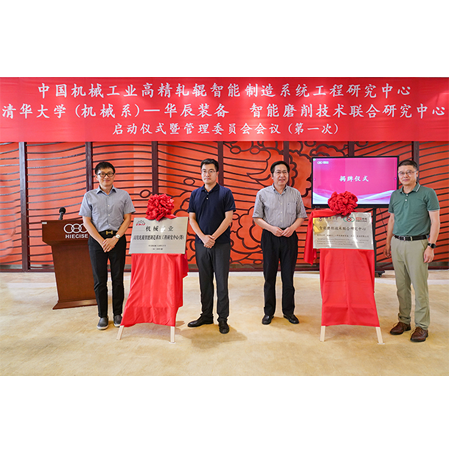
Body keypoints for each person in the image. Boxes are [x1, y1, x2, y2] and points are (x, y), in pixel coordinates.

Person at [384, 159, 440, 342]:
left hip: (418, 244)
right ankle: (404, 321)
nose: (405, 175)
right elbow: (392, 220)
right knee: (401, 286)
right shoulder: (395, 195)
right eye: (402, 173)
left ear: (417, 173)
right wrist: (388, 242)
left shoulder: (428, 193)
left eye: (409, 172)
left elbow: (435, 221)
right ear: (398, 176)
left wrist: (431, 246)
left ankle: (422, 326)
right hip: (397, 243)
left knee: (419, 287)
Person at [79, 162, 135, 330]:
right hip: (97, 241)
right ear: (97, 176)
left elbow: (127, 219)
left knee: (118, 279)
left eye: (109, 173)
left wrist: (115, 238)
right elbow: (86, 221)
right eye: (102, 174)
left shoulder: (123, 195)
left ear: (114, 175)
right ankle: (102, 315)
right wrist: (101, 241)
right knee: (99, 280)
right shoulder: (89, 196)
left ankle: (118, 313)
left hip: (117, 239)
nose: (106, 177)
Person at [253, 161, 307, 325]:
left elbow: (301, 216)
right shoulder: (262, 194)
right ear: (272, 175)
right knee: (269, 276)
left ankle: (288, 312)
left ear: (288, 175)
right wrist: (271, 229)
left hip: (289, 237)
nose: (281, 175)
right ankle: (268, 312)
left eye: (284, 172)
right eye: (278, 172)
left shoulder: (295, 194)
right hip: (270, 237)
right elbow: (257, 218)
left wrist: (292, 228)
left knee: (288, 277)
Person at [187, 158, 236, 334]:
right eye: (204, 171)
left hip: (221, 244)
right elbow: (192, 219)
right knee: (204, 282)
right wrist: (203, 237)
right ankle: (206, 315)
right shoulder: (195, 194)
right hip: (201, 245)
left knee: (222, 282)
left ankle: (222, 319)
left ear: (217, 173)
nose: (207, 174)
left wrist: (213, 237)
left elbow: (228, 218)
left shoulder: (225, 193)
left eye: (210, 171)